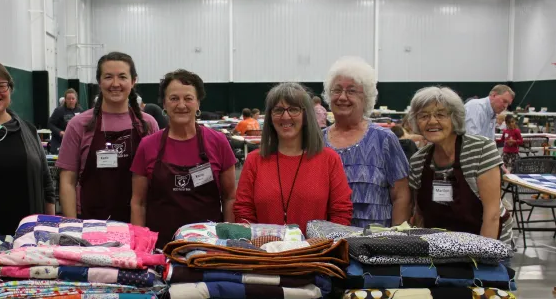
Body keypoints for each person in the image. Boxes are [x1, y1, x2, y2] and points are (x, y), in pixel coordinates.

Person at [131, 70, 237, 247]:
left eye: (188, 98)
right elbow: (138, 202)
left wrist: (228, 243)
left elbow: (230, 198)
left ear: (197, 103)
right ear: (164, 103)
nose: (181, 105)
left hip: (209, 247)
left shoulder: (218, 142)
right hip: (160, 246)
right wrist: (141, 246)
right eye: (174, 98)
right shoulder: (147, 145)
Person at [56, 52, 159, 221]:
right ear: (99, 81)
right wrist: (72, 226)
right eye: (108, 77)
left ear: (133, 81)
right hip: (89, 220)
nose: (115, 84)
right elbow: (67, 181)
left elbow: (155, 179)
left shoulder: (147, 124)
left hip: (137, 221)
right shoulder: (78, 125)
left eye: (122, 77)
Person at [234, 83, 352, 226]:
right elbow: (243, 212)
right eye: (278, 110)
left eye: (293, 109)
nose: (285, 116)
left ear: (306, 115)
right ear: (270, 117)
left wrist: (315, 245)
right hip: (264, 247)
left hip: (318, 248)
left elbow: (341, 213)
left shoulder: (329, 160)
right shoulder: (254, 160)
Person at [407, 86, 513, 245]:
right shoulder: (418, 161)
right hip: (441, 248)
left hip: (487, 243)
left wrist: (481, 262)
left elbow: (492, 214)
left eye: (440, 115)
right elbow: (420, 216)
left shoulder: (481, 150)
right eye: (423, 116)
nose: (432, 121)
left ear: (455, 118)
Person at [0, 60, 56, 235]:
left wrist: (50, 230)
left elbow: (47, 185)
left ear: (10, 90)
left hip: (29, 236)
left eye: (1, 85)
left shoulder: (28, 130)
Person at [322, 57, 410, 228]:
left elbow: (401, 195)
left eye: (352, 91)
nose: (342, 97)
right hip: (326, 243)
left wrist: (395, 239)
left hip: (376, 245)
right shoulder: (316, 141)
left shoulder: (384, 139)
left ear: (366, 98)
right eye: (337, 90)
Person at [48, 88, 83, 154]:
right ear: (65, 100)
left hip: (74, 142)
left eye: (73, 98)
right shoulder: (59, 110)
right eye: (69, 99)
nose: (71, 100)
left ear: (76, 100)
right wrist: (60, 132)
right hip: (59, 142)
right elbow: (50, 124)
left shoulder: (80, 110)